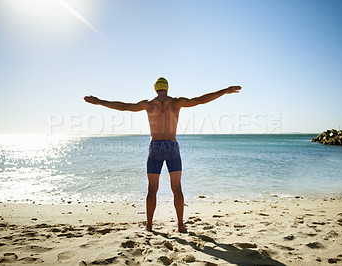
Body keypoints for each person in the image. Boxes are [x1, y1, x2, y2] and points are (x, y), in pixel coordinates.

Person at [84, 77, 241, 232]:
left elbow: (125, 107)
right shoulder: (176, 102)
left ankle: (149, 226)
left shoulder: (148, 104)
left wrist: (100, 101)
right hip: (172, 146)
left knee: (152, 189)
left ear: (155, 88)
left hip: (156, 146)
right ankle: (180, 225)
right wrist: (224, 91)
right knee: (177, 187)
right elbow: (200, 100)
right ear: (167, 88)